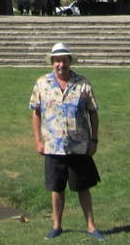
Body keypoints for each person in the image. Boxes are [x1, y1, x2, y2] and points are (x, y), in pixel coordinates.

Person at [29, 43, 104, 240]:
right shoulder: (42, 84)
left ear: (70, 61)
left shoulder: (83, 84)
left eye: (63, 60)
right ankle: (57, 225)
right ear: (52, 63)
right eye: (56, 60)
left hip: (79, 146)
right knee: (56, 187)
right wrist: (38, 140)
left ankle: (91, 226)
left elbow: (93, 114)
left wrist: (94, 140)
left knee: (83, 187)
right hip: (53, 145)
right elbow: (36, 113)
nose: (60, 64)